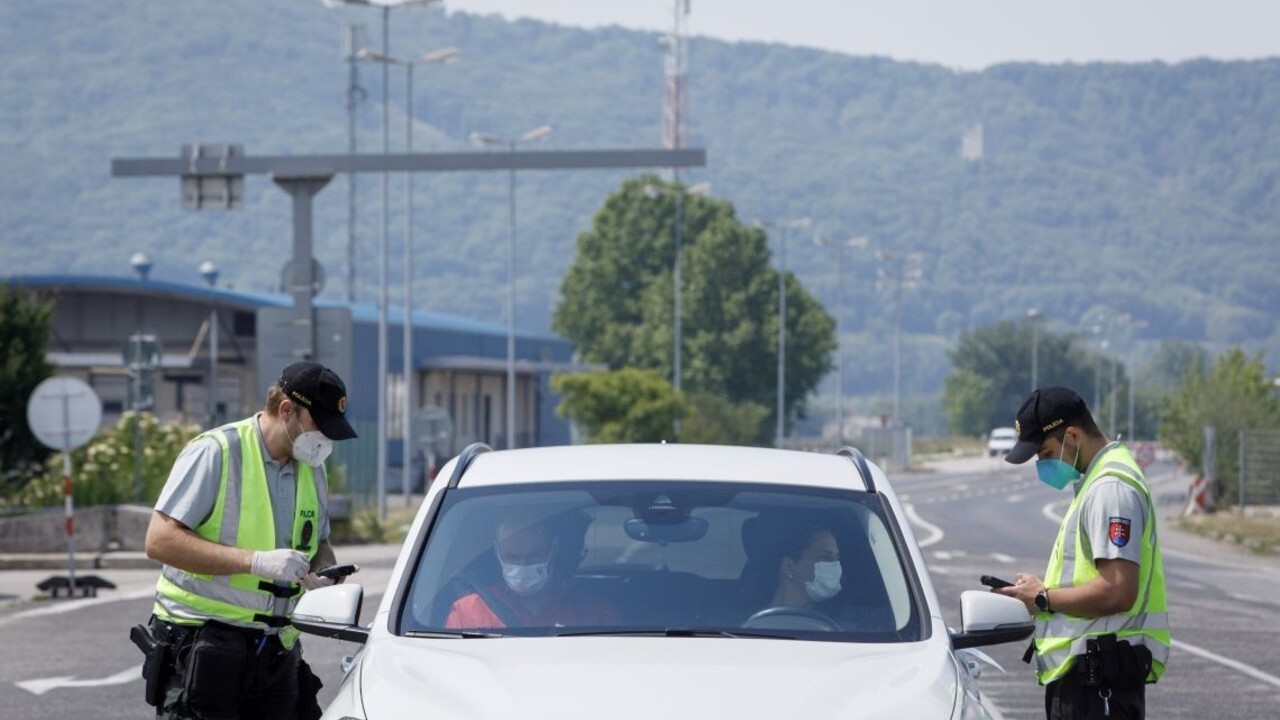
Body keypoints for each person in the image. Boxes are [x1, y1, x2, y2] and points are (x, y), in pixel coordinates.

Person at [137, 361, 358, 720]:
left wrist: (324, 571)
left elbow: (319, 542)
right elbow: (159, 541)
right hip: (204, 649)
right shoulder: (217, 452)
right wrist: (255, 561)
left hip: (276, 654)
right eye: (320, 426)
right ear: (287, 410)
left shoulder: (312, 468)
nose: (327, 439)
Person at [996, 386, 1169, 720]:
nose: (1041, 465)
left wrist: (1044, 598)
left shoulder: (1110, 489)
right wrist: (1042, 589)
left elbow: (1119, 591)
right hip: (1091, 679)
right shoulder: (1097, 481)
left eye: (1044, 453)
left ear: (1072, 436)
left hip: (1099, 686)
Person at [445, 511, 615, 629]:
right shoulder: (468, 613)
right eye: (512, 558)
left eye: (533, 557)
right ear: (497, 552)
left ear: (553, 550)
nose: (522, 565)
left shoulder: (592, 611)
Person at [767, 524, 842, 608]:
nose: (836, 565)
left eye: (837, 558)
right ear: (789, 567)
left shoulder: (843, 620)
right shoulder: (752, 619)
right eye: (825, 557)